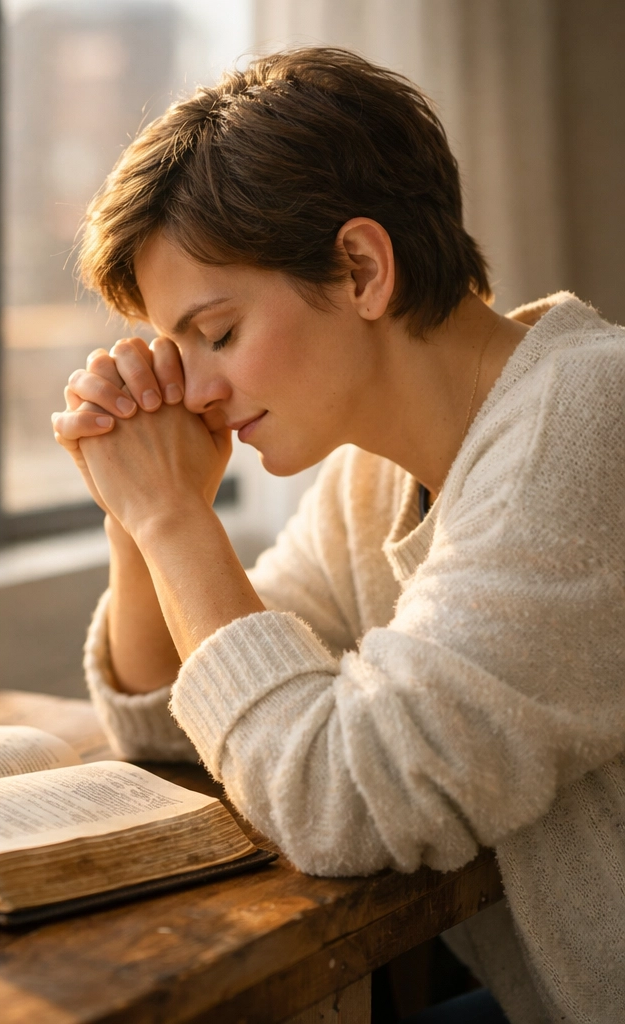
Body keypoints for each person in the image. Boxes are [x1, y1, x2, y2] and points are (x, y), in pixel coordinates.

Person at [50, 48, 625, 1024]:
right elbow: (186, 723)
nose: (194, 388)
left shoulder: (585, 419)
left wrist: (172, 515)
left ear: (361, 268)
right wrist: (134, 509)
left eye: (217, 333)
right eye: (174, 350)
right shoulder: (371, 476)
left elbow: (338, 800)